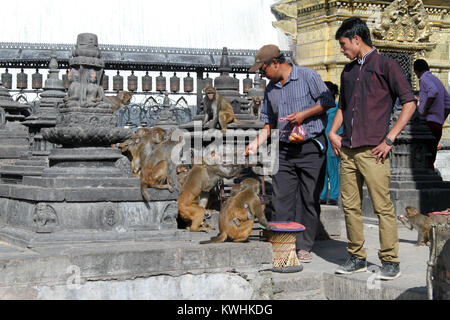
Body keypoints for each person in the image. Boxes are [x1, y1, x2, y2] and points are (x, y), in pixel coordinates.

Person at [329, 17, 416, 280]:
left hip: (374, 150)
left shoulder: (385, 65)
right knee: (350, 206)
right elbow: (343, 106)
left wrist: (389, 138)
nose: (342, 50)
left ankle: (390, 260)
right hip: (348, 149)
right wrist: (333, 132)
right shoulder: (348, 71)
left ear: (357, 40)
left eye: (344, 44)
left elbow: (409, 103)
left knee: (382, 207)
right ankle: (357, 257)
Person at [244, 44, 335, 264]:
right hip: (284, 148)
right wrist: (254, 145)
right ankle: (283, 242)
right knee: (281, 196)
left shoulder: (307, 76)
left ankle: (304, 246)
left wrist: (304, 114)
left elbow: (327, 101)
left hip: (311, 147)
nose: (262, 74)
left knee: (308, 198)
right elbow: (269, 123)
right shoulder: (271, 90)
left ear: (275, 62)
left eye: (263, 69)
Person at [413, 59, 450, 170]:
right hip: (437, 124)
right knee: (430, 158)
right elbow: (448, 104)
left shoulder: (424, 78)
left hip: (428, 123)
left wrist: (425, 110)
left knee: (422, 157)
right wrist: (442, 119)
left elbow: (433, 92)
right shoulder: (436, 80)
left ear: (416, 71)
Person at [320, 81, 342, 206]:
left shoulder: (338, 109)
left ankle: (333, 196)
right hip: (323, 145)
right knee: (324, 172)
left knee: (332, 172)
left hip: (332, 145)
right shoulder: (323, 109)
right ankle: (323, 196)